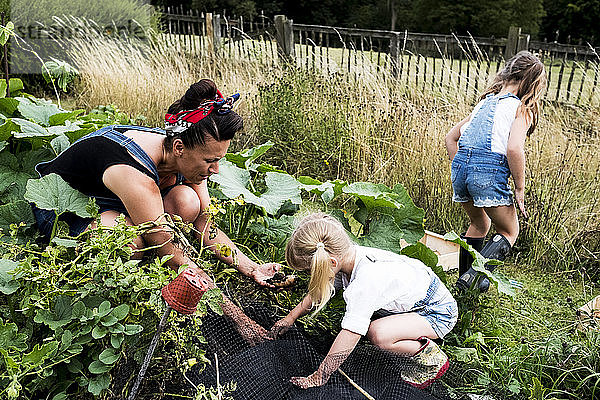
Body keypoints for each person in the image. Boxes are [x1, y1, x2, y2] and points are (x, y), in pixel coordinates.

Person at [33, 79, 280, 288]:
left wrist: (251, 268)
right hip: (64, 208)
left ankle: (140, 234)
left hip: (121, 203)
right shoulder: (134, 167)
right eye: (209, 161)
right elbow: (164, 242)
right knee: (127, 243)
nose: (215, 170)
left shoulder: (186, 150)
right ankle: (99, 268)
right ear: (179, 148)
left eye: (218, 161)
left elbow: (204, 222)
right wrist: (210, 290)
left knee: (187, 202)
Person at [270, 213, 457, 389]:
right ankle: (405, 329)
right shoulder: (348, 257)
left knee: (377, 334)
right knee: (370, 324)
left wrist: (319, 376)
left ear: (331, 263)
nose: (309, 277)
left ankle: (430, 357)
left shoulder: (366, 280)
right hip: (420, 296)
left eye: (310, 272)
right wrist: (291, 317)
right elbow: (320, 292)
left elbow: (352, 332)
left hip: (436, 312)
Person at [445, 51, 546, 292]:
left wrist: (461, 168)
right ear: (532, 83)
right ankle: (474, 277)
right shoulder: (522, 109)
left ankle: (465, 285)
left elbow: (451, 138)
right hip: (488, 173)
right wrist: (519, 188)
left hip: (461, 170)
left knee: (479, 224)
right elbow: (513, 148)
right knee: (510, 230)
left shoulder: (483, 103)